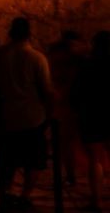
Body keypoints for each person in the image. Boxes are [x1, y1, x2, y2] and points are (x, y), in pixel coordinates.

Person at [0, 16, 54, 211]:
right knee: (33, 161)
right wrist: (50, 113)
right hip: (33, 117)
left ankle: (7, 192)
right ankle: (25, 195)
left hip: (6, 116)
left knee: (8, 159)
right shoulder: (37, 58)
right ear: (29, 34)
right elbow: (46, 89)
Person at [72, 30, 110, 213]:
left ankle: (97, 202)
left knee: (95, 159)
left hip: (93, 115)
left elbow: (77, 92)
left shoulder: (88, 66)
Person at [47, 29, 85, 187]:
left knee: (65, 143)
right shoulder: (82, 55)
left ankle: (70, 176)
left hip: (61, 100)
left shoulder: (54, 53)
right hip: (82, 102)